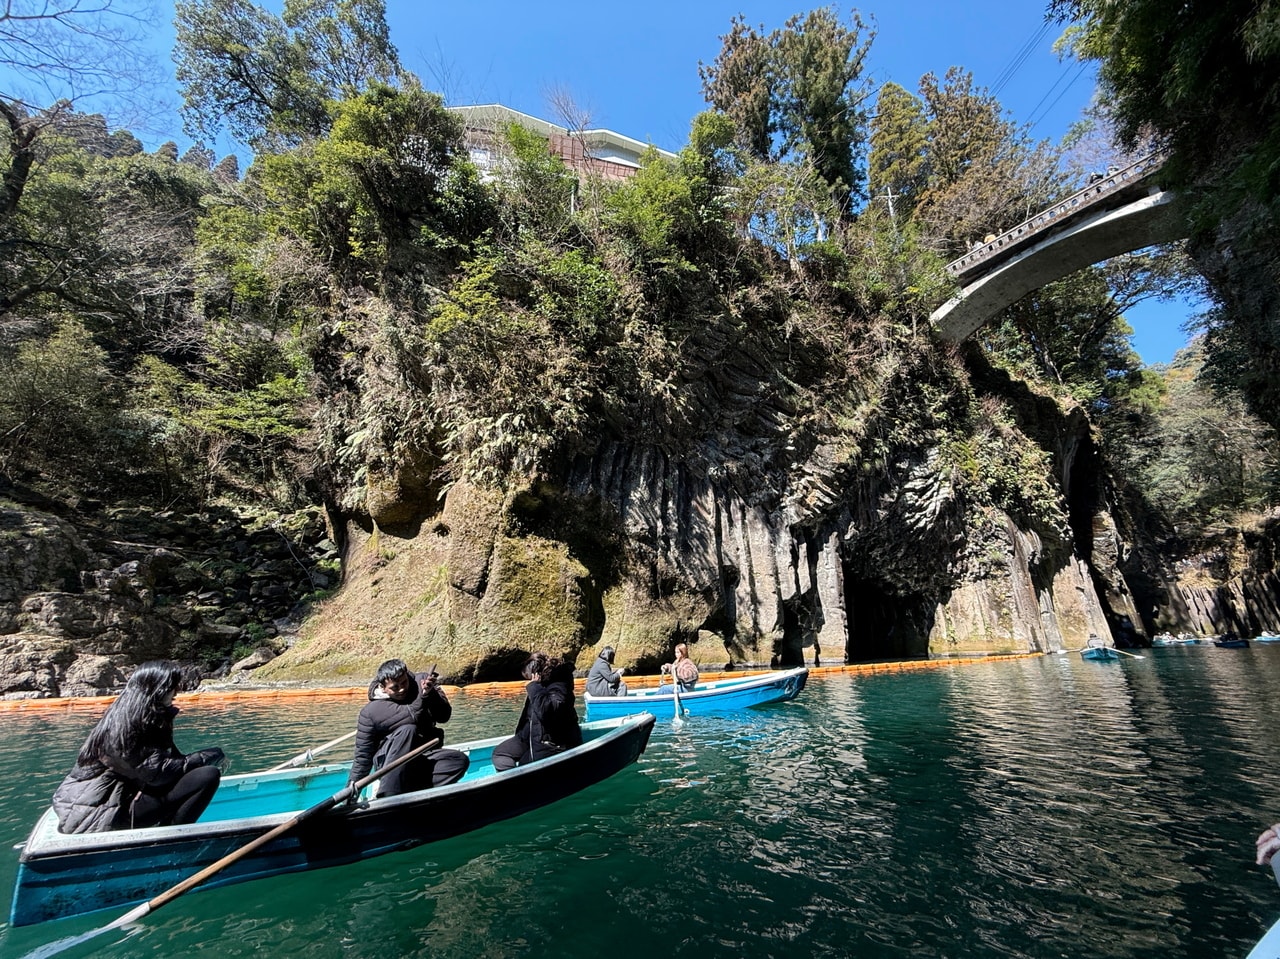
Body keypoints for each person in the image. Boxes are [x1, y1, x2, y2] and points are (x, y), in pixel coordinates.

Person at [51, 661, 225, 834]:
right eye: (172, 687)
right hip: (100, 813)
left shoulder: (140, 717)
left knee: (198, 774)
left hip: (119, 799)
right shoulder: (123, 729)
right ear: (158, 689)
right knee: (207, 776)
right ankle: (171, 837)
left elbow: (169, 765)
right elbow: (158, 773)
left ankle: (171, 830)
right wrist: (209, 756)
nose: (176, 693)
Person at [348, 659, 469, 798]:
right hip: (389, 766)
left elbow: (444, 716)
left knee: (458, 761)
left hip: (422, 756)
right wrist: (352, 789)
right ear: (382, 688)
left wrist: (430, 695)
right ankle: (388, 795)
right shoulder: (370, 712)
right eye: (395, 687)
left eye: (404, 682)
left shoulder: (424, 682)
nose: (402, 689)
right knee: (408, 730)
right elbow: (363, 755)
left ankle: (412, 792)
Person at [492, 652, 583, 771]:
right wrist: (521, 736)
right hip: (530, 736)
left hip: (552, 744)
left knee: (524, 767)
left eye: (529, 677)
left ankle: (517, 781)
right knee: (500, 753)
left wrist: (534, 687)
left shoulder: (559, 685)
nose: (528, 681)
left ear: (537, 674)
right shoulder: (541, 685)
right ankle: (512, 778)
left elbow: (548, 711)